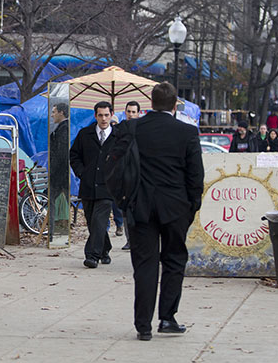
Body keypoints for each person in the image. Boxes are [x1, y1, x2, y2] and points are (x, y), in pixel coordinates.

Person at [129, 82, 204, 341]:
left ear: (151, 103)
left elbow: (116, 167)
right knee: (173, 261)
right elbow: (196, 175)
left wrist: (125, 201)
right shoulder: (186, 132)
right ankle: (167, 317)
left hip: (141, 206)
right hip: (175, 207)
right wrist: (193, 205)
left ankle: (143, 325)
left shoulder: (134, 128)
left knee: (145, 265)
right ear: (174, 106)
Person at [70, 101, 115, 268]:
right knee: (92, 221)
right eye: (100, 115)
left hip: (107, 187)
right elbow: (74, 155)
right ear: (95, 116)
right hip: (88, 185)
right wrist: (82, 172)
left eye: (106, 115)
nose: (104, 119)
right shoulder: (85, 134)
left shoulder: (118, 137)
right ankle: (105, 248)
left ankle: (92, 255)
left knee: (99, 219)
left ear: (111, 115)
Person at [120, 100, 141, 251]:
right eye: (129, 111)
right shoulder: (121, 129)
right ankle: (129, 239)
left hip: (139, 177)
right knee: (126, 211)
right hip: (124, 177)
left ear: (139, 113)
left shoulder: (143, 130)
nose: (131, 114)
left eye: (134, 112)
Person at [50, 103, 70, 229]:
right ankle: (53, 229)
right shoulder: (62, 128)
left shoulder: (63, 129)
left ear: (61, 112)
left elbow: (61, 153)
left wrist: (53, 171)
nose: (52, 115)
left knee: (51, 200)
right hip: (62, 174)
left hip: (60, 174)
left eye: (54, 112)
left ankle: (52, 230)